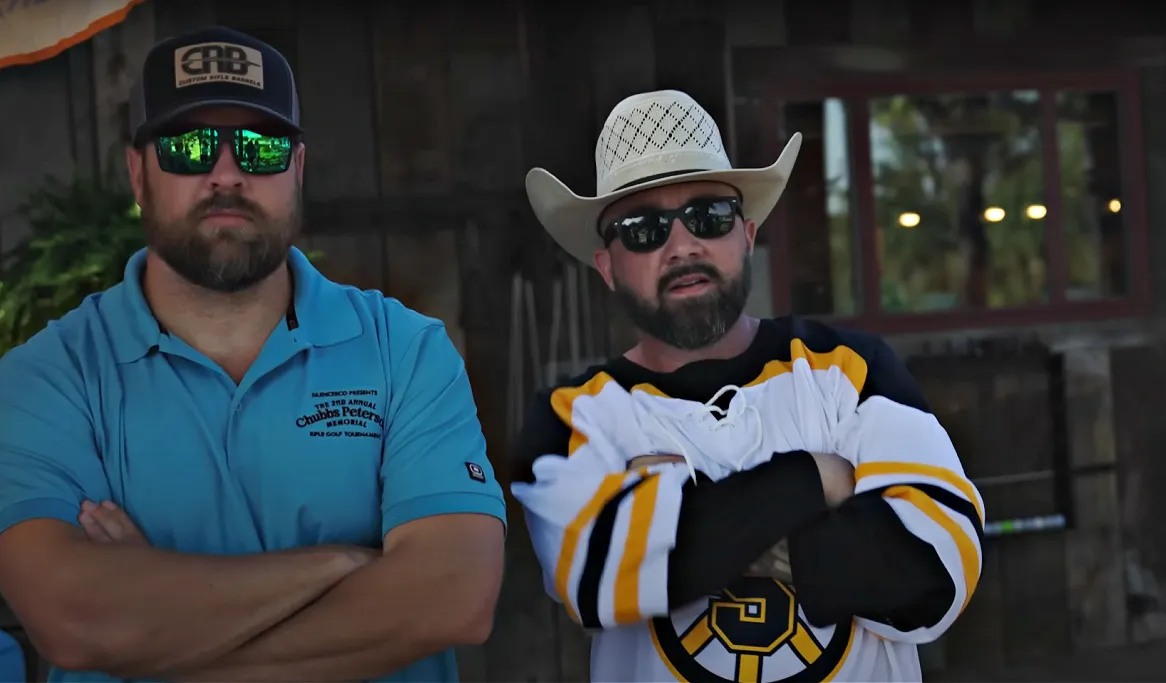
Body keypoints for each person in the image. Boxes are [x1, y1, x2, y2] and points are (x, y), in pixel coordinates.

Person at [0, 27, 506, 683]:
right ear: (137, 175)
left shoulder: (406, 350)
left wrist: (154, 629)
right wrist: (340, 563)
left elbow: (453, 598)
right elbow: (75, 618)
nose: (227, 172)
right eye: (189, 147)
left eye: (262, 147)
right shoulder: (46, 378)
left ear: (297, 170)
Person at [510, 89, 985, 682]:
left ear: (747, 234)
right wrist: (818, 476)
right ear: (607, 265)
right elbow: (597, 574)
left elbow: (935, 575)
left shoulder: (852, 368)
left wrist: (671, 525)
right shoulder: (568, 418)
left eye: (708, 215)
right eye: (642, 228)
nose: (682, 245)